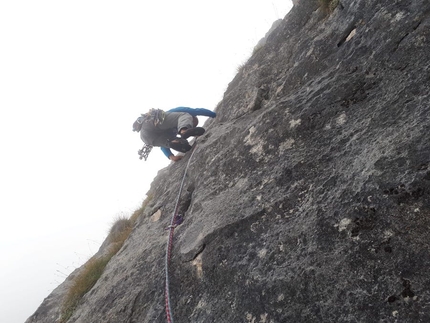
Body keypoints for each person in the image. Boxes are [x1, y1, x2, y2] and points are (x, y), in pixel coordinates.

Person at [133, 107, 216, 162]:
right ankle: (184, 130)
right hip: (152, 122)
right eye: (192, 123)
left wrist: (172, 157)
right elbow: (196, 111)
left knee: (171, 141)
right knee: (184, 115)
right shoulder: (177, 112)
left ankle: (176, 141)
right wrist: (214, 115)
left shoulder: (171, 128)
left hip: (146, 138)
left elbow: (163, 146)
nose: (192, 125)